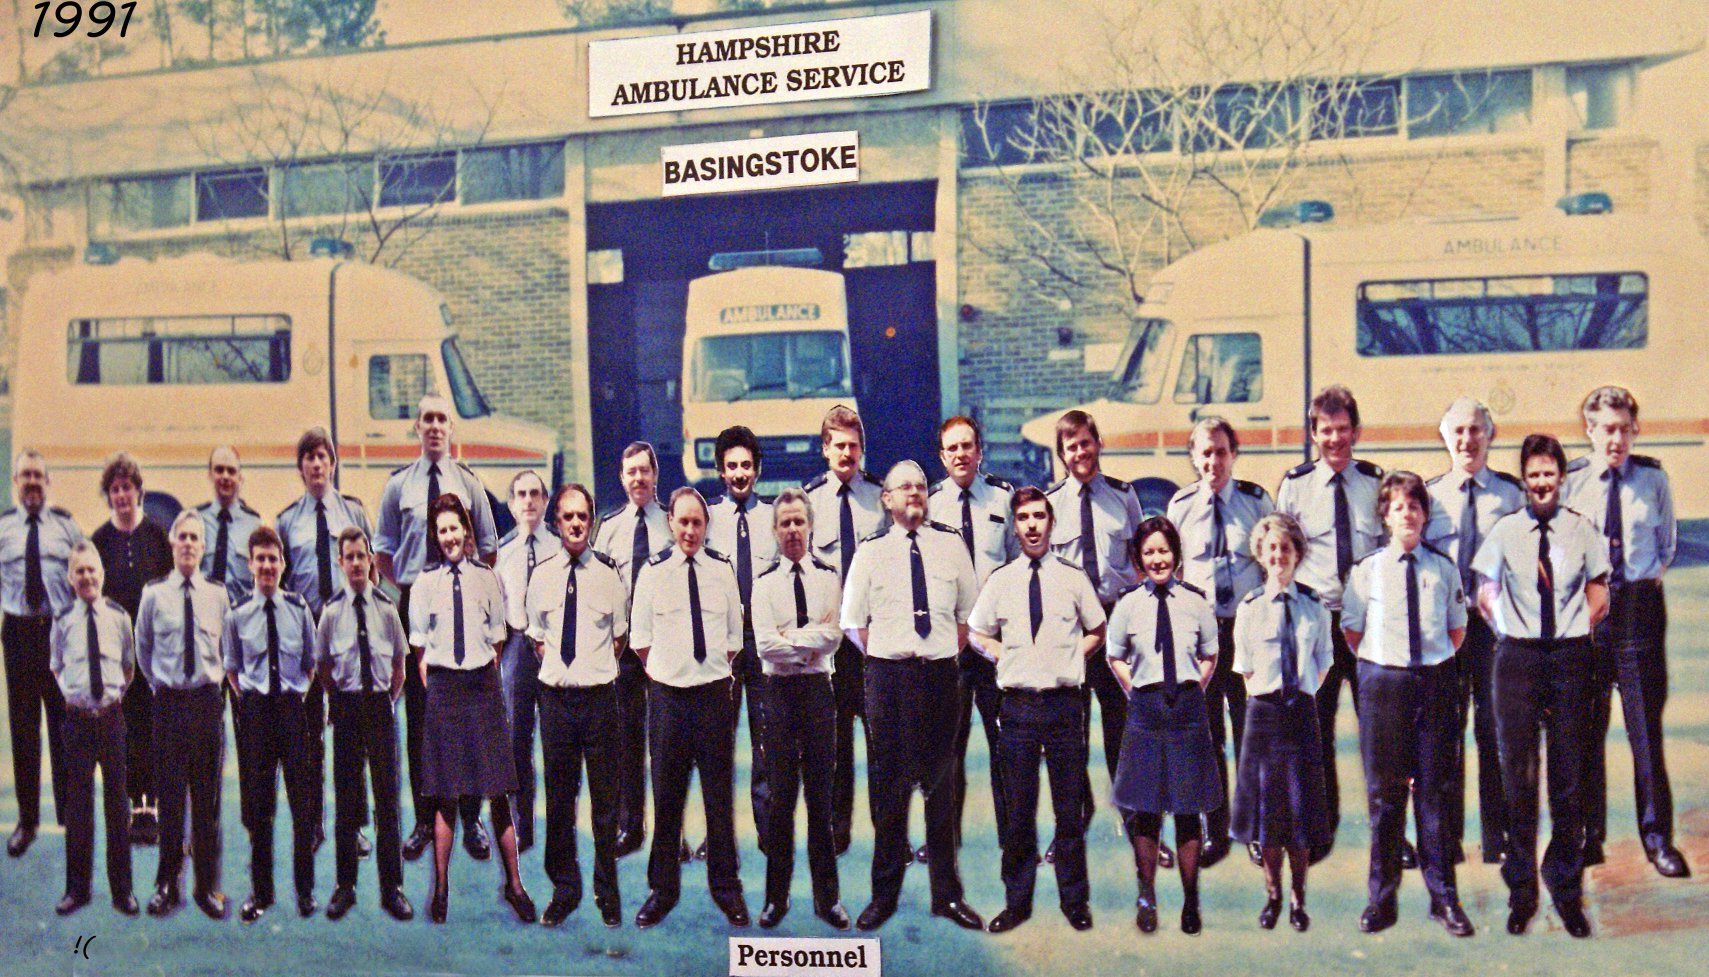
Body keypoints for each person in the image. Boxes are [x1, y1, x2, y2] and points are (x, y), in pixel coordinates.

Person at [1473, 434, 1609, 939]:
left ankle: (1566, 887)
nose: (1541, 482)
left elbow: (1598, 588)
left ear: (1561, 477)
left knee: (1570, 778)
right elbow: (1485, 589)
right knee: (1519, 779)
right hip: (1518, 660)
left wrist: (1576, 625)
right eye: (1533, 474)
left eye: (1549, 472)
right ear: (1525, 479)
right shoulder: (1506, 530)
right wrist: (1508, 626)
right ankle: (1522, 891)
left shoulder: (1580, 530)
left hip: (1571, 658)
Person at [840, 461, 984, 933]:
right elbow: (852, 621)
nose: (916, 494)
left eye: (922, 486)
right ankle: (884, 895)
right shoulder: (871, 552)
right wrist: (892, 656)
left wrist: (935, 653)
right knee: (889, 789)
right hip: (888, 679)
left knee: (941, 788)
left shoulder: (950, 545)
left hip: (940, 677)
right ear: (887, 499)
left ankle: (947, 894)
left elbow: (969, 616)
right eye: (905, 487)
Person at [1563, 386, 1689, 878]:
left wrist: (1642, 576)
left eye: (1623, 428)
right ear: (1589, 431)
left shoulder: (1653, 479)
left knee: (1644, 733)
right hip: (1589, 614)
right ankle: (1588, 837)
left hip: (1639, 610)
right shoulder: (1574, 481)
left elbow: (1666, 544)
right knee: (1586, 734)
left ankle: (1658, 840)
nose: (1615, 439)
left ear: (1635, 430)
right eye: (1605, 429)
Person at [1341, 473, 1473, 937]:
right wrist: (1390, 665)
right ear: (1386, 516)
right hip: (1383, 686)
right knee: (1385, 796)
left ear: (1425, 515)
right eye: (1399, 507)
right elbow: (1353, 632)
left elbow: (1457, 631)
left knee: (1435, 795)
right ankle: (1382, 899)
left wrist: (1426, 666)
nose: (1409, 515)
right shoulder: (1367, 570)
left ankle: (1445, 899)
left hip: (1434, 682)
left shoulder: (1443, 569)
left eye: (1415, 507)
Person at [970, 486, 1103, 935]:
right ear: (1015, 526)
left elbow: (1098, 628)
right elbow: (976, 632)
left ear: (1051, 523)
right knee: (1018, 812)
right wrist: (1001, 656)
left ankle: (1074, 901)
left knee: (1069, 810)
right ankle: (1017, 901)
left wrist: (1071, 657)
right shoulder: (1001, 580)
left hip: (1064, 707)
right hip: (1019, 708)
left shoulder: (1072, 577)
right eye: (1023, 517)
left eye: (1039, 516)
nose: (1031, 525)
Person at [375, 395, 499, 864]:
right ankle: (426, 819)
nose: (434, 427)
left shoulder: (468, 483)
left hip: (460, 600)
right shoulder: (398, 487)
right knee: (423, 718)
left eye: (441, 419)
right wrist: (411, 590)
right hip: (416, 602)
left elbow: (487, 545)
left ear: (451, 427)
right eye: (426, 419)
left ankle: (471, 819)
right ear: (417, 427)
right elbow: (383, 550)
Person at [410, 494, 533, 925]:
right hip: (444, 690)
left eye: (455, 527)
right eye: (441, 530)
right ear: (435, 536)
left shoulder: (487, 578)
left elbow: (498, 639)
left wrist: (478, 677)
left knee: (498, 791)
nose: (449, 537)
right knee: (446, 795)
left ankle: (515, 885)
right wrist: (444, 686)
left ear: (466, 529)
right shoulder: (425, 584)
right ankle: (441, 889)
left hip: (481, 688)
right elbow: (420, 648)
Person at [629, 487, 749, 929]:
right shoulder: (653, 573)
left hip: (714, 696)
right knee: (668, 796)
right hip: (669, 699)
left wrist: (707, 673)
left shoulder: (722, 570)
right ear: (670, 524)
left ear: (705, 526)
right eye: (682, 522)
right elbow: (640, 639)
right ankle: (662, 889)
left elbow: (734, 637)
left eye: (697, 523)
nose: (690, 531)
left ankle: (727, 887)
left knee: (719, 798)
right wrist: (673, 672)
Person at [1274, 385, 1383, 860]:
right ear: (1313, 434)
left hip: (1369, 627)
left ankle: (1390, 836)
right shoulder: (1295, 486)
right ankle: (1318, 831)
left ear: (1355, 432)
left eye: (1343, 430)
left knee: (1379, 735)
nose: (1335, 439)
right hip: (1317, 625)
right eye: (1326, 431)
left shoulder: (1375, 483)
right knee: (1313, 734)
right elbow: (1281, 557)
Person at [1165, 417, 1274, 868]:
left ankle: (1253, 827)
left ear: (1234, 454)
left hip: (1246, 630)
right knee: (1207, 737)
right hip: (1202, 635)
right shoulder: (1181, 506)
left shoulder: (1255, 501)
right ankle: (1218, 830)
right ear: (1194, 457)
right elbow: (1170, 573)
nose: (1213, 461)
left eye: (1221, 452)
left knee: (1250, 732)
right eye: (1205, 453)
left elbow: (1272, 564)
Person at [1106, 517, 1222, 936]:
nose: (1158, 559)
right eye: (1149, 552)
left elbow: (1210, 653)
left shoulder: (1196, 602)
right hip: (1146, 710)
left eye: (1164, 551)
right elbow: (1114, 655)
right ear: (1139, 559)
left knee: (1189, 811)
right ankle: (1147, 894)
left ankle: (1191, 900)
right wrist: (1133, 690)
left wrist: (1196, 688)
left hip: (1187, 710)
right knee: (1146, 809)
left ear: (1176, 555)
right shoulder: (1128, 605)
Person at [1425, 398, 1525, 866]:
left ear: (1490, 434)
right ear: (1445, 436)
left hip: (1493, 631)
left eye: (1475, 431)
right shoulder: (1428, 496)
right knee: (1445, 731)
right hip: (1445, 630)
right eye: (1458, 431)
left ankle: (1496, 836)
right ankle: (1446, 838)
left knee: (1492, 728)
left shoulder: (1511, 496)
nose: (1467, 440)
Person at [1042, 411, 1145, 857]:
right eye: (1071, 447)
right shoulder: (1052, 504)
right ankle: (1073, 823)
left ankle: (1137, 820)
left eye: (1086, 443)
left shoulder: (1124, 496)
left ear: (1098, 443)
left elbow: (1141, 561)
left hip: (1117, 621)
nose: (1080, 453)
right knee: (1070, 730)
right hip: (1071, 631)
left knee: (1123, 727)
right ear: (1061, 456)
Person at [524, 483, 626, 929]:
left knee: (605, 804)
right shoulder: (542, 575)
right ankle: (564, 890)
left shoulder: (609, 575)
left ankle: (607, 892)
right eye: (567, 517)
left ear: (592, 520)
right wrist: (566, 673)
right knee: (560, 802)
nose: (576, 524)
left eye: (583, 516)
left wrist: (590, 667)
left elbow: (619, 639)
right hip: (557, 703)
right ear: (557, 523)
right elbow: (536, 637)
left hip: (600, 700)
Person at [1231, 513, 1334, 933]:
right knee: (1268, 815)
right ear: (1261, 553)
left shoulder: (1314, 606)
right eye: (1271, 548)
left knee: (1300, 813)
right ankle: (1273, 894)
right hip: (1264, 715)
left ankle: (1299, 898)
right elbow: (1245, 667)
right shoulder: (1250, 607)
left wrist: (1301, 691)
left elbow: (1323, 661)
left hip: (1300, 714)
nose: (1278, 555)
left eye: (1286, 548)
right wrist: (1269, 695)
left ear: (1297, 554)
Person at [751, 487, 848, 930]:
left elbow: (834, 637)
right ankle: (776, 899)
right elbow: (766, 647)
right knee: (781, 800)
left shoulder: (828, 577)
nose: (792, 530)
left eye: (799, 522)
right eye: (784, 523)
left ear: (810, 527)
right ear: (774, 531)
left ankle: (827, 900)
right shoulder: (764, 584)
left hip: (816, 696)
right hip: (780, 697)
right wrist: (804, 642)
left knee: (820, 801)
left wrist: (794, 641)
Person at [276, 428, 374, 857]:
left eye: (323, 456)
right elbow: (279, 584)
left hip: (347, 631)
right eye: (308, 458)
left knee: (352, 733)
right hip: (305, 635)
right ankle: (312, 821)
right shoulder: (286, 520)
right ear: (300, 468)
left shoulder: (352, 513)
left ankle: (352, 826)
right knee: (308, 735)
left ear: (332, 464)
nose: (316, 465)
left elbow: (370, 575)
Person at [929, 416, 1017, 864]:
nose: (961, 454)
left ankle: (1013, 838)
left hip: (995, 643)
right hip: (948, 646)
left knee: (1004, 745)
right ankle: (944, 839)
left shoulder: (1003, 499)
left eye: (968, 446)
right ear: (942, 457)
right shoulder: (929, 507)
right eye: (952, 448)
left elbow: (1020, 570)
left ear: (980, 451)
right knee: (946, 748)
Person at [136, 510, 231, 919]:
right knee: (171, 801)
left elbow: (228, 650)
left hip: (207, 703)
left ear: (204, 547)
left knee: (206, 804)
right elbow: (144, 650)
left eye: (196, 537)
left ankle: (206, 887)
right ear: (173, 545)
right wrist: (161, 686)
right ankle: (165, 885)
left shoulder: (218, 595)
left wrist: (213, 687)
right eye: (183, 537)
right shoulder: (153, 595)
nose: (189, 544)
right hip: (170, 705)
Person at [223, 526, 319, 923]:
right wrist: (252, 698)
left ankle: (305, 891)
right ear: (250, 565)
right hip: (258, 714)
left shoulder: (299, 610)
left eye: (272, 559)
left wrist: (294, 695)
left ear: (282, 564)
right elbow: (233, 669)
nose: (266, 566)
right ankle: (261, 893)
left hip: (293, 711)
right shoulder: (237, 615)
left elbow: (311, 664)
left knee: (302, 806)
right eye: (259, 559)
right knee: (260, 808)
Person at [802, 405, 887, 855]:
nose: (847, 453)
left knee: (880, 738)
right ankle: (836, 830)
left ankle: (885, 828)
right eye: (839, 445)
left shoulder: (881, 497)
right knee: (831, 740)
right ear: (825, 449)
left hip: (873, 639)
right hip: (832, 641)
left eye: (854, 446)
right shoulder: (808, 500)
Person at [318, 527, 414, 922]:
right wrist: (342, 698)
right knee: (346, 802)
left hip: (378, 709)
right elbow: (323, 667)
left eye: (362, 555)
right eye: (349, 557)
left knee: (387, 802)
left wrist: (383, 702)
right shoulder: (330, 613)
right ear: (340, 563)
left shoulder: (387, 610)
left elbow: (398, 668)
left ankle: (392, 888)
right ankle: (346, 886)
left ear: (371, 559)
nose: (356, 563)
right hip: (346, 709)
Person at [1, 448, 82, 858]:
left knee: (62, 726)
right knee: (23, 727)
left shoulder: (66, 528)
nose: (32, 483)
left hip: (56, 632)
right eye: (25, 476)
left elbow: (86, 574)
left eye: (38, 476)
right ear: (16, 484)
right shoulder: (3, 529)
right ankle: (28, 819)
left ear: (48, 483)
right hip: (16, 634)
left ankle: (69, 815)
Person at [89, 452, 172, 849]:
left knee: (152, 726)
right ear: (109, 495)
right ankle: (129, 800)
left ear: (139, 490)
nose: (122, 495)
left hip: (152, 649)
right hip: (115, 653)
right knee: (123, 728)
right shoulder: (99, 541)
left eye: (128, 487)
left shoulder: (158, 536)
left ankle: (151, 806)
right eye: (115, 489)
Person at [49, 541, 136, 916]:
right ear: (71, 578)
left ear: (102, 574)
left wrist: (108, 700)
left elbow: (128, 668)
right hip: (78, 724)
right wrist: (76, 697)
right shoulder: (62, 619)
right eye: (79, 571)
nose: (86, 577)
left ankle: (122, 891)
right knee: (79, 808)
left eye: (91, 570)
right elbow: (56, 666)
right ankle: (77, 889)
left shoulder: (118, 617)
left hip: (112, 720)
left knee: (118, 807)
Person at [591, 440, 670, 860]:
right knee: (626, 739)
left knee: (665, 741)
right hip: (622, 648)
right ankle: (631, 826)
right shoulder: (610, 527)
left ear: (655, 475)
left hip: (663, 647)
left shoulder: (673, 523)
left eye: (644, 470)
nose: (638, 478)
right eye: (631, 472)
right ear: (622, 479)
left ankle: (668, 831)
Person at [705, 425, 777, 858]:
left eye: (746, 465)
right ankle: (719, 836)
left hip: (763, 644)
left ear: (758, 470)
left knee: (766, 740)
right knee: (718, 741)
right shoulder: (708, 521)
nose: (739, 474)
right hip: (724, 647)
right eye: (731, 466)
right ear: (720, 471)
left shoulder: (772, 518)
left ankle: (769, 834)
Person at [495, 470, 561, 854]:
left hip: (553, 647)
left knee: (556, 741)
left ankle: (557, 825)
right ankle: (522, 825)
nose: (529, 502)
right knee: (517, 739)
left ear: (545, 500)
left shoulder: (559, 545)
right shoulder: (503, 553)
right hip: (518, 648)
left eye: (535, 494)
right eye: (521, 494)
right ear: (511, 503)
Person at [195, 446, 262, 604]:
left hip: (241, 614)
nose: (225, 476)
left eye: (231, 471)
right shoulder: (195, 520)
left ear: (240, 477)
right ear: (210, 475)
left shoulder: (254, 524)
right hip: (204, 612)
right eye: (219, 470)